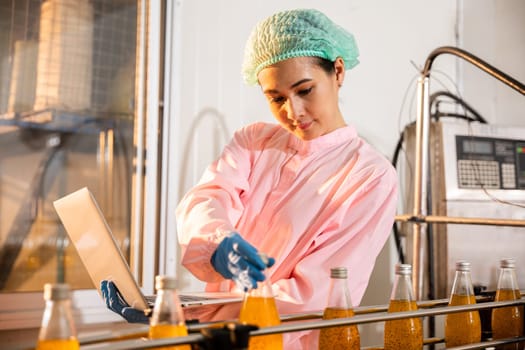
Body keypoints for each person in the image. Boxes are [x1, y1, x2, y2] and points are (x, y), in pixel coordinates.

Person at [103, 8, 398, 348]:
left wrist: (189, 319)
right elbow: (206, 200)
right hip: (218, 339)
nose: (293, 112)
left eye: (305, 90)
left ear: (338, 71)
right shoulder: (255, 140)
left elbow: (314, 297)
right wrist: (214, 244)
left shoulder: (369, 176)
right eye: (276, 98)